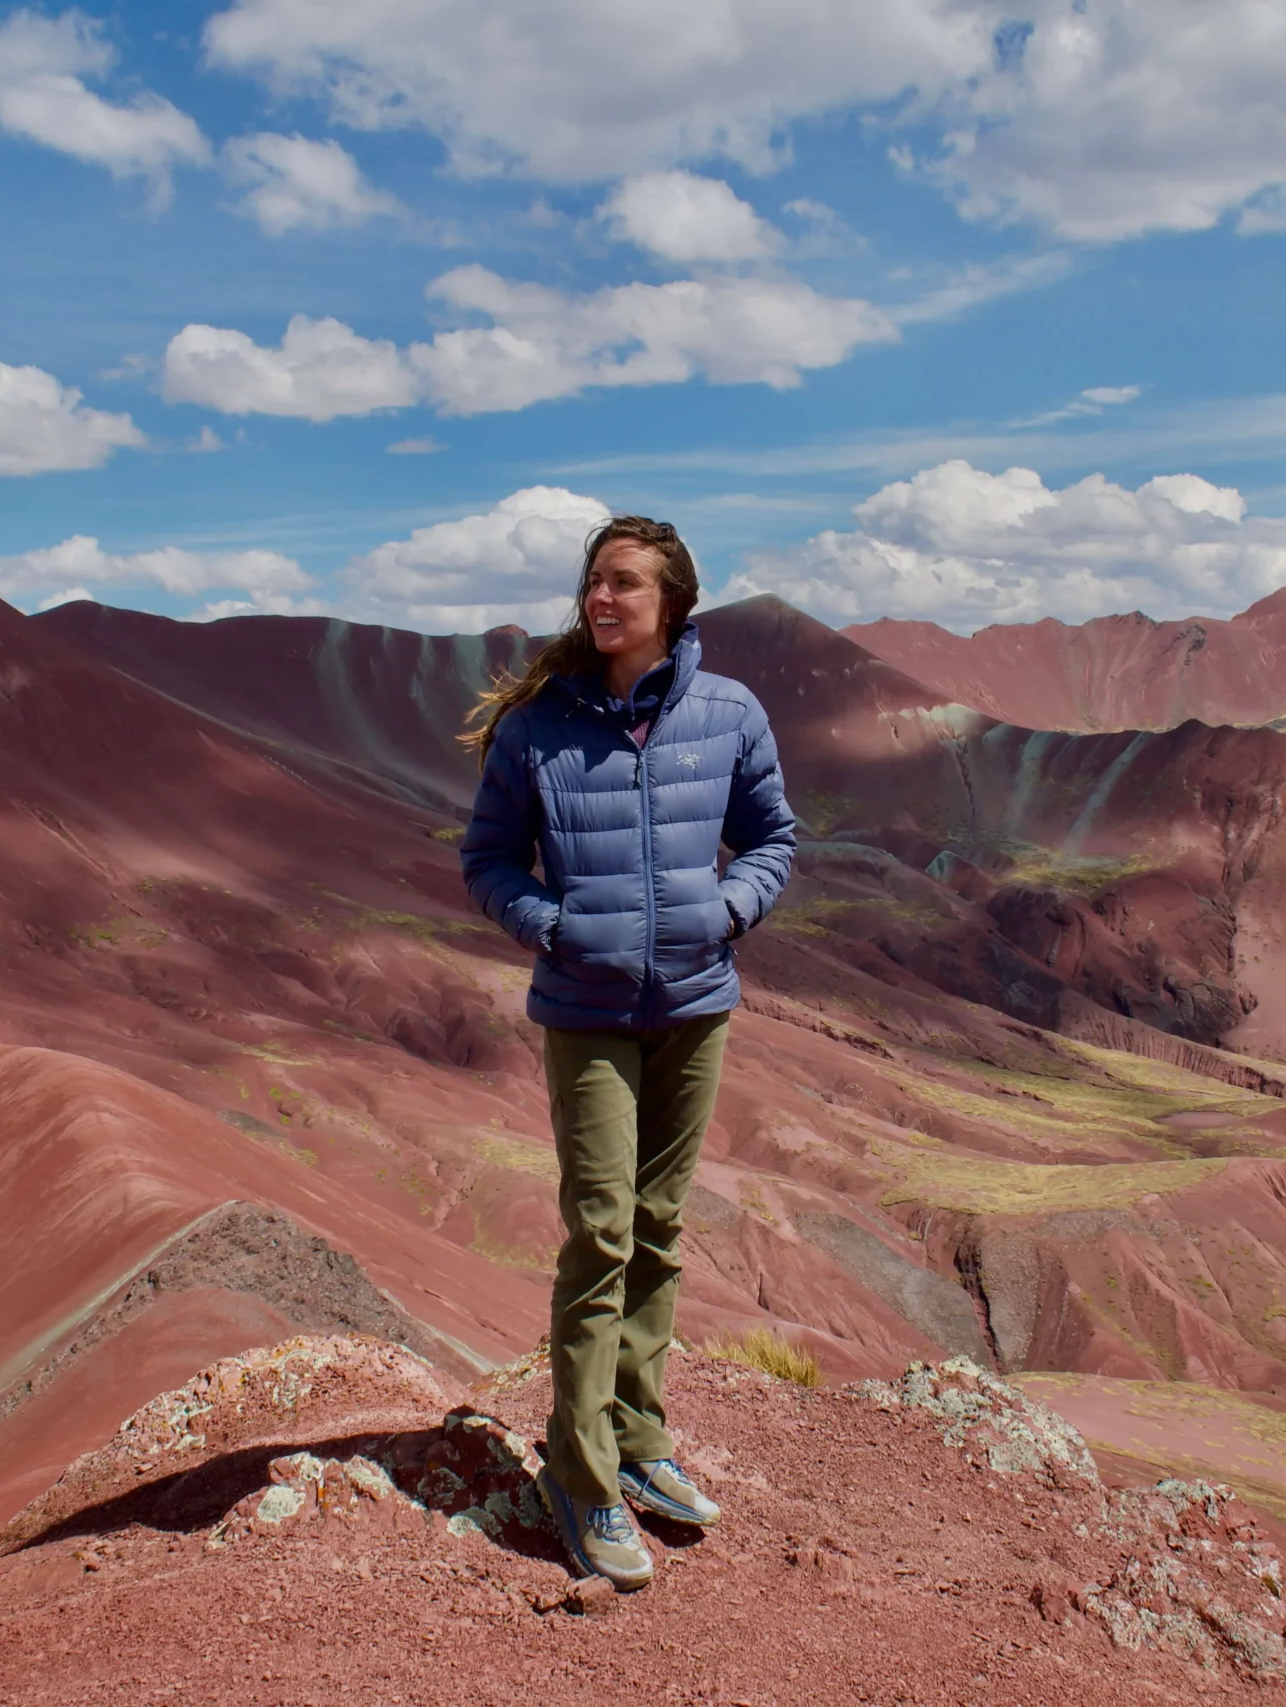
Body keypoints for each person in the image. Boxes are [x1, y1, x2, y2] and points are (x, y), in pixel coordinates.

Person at [458, 515, 797, 1591]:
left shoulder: (728, 713)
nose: (599, 602)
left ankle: (640, 1439)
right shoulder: (538, 729)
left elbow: (776, 836)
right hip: (586, 1013)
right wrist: (551, 928)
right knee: (600, 1232)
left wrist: (728, 910)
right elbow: (488, 860)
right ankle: (582, 1474)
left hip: (696, 1003)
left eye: (622, 586)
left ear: (672, 603)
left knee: (658, 1228)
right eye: (591, 585)